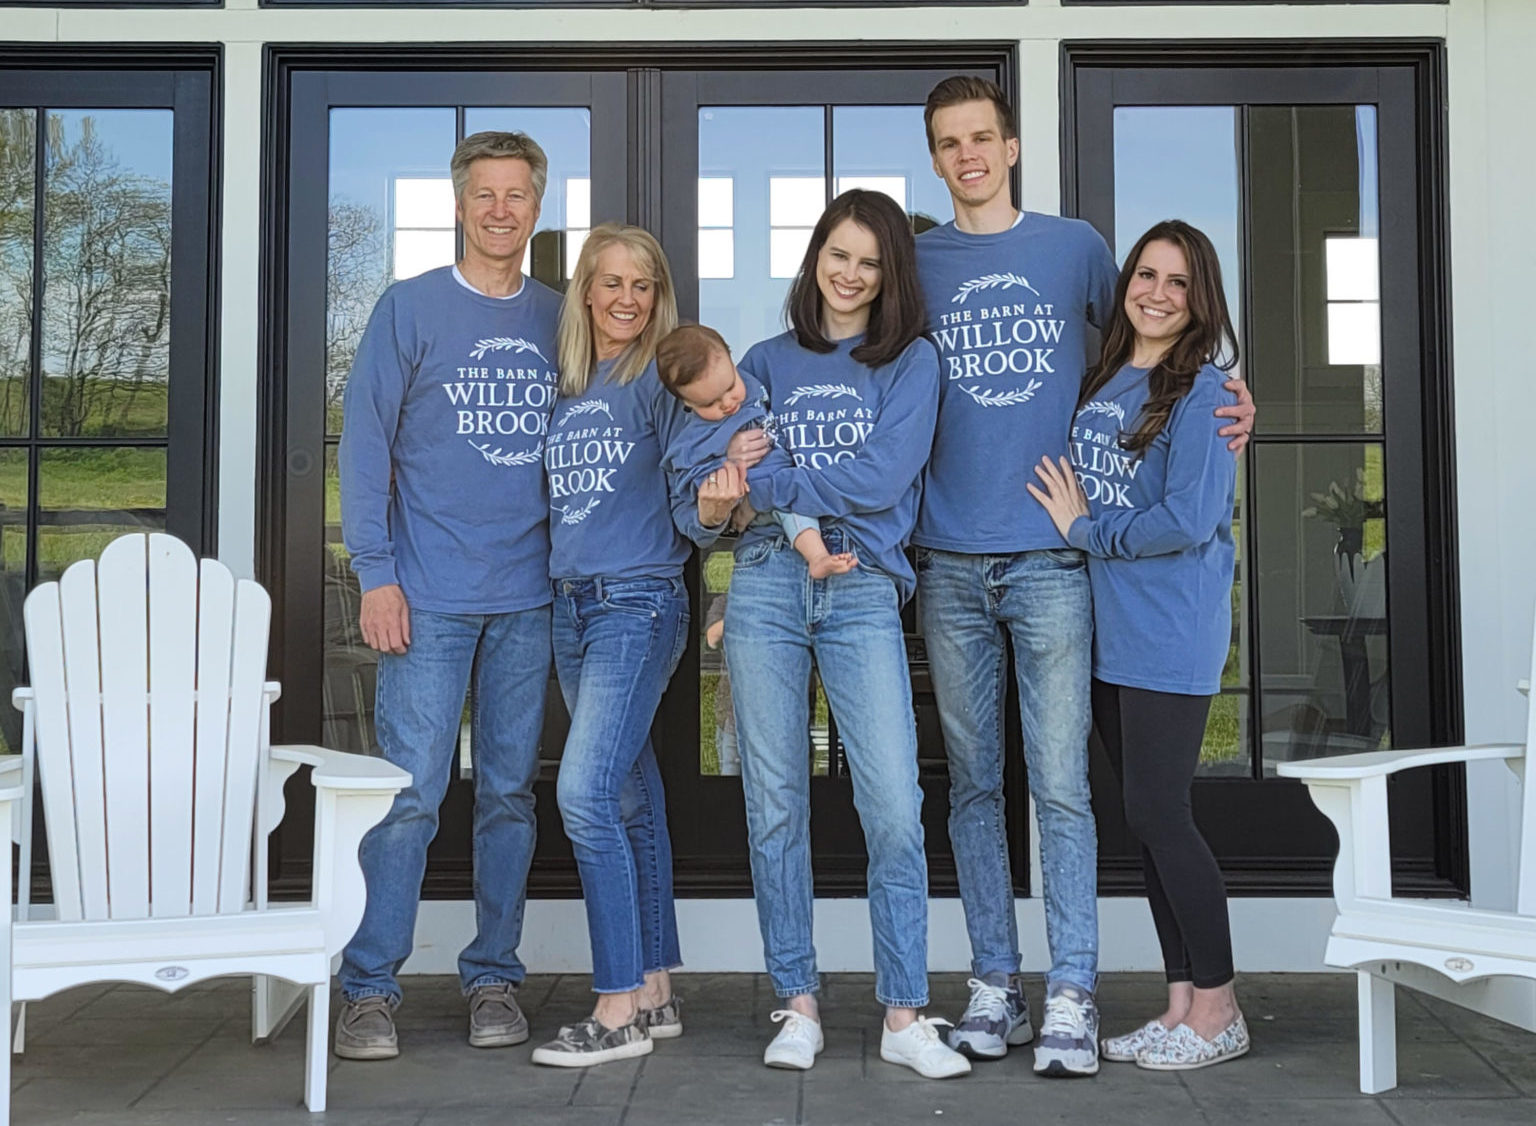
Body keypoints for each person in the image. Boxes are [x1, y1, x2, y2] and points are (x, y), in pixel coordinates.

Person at [910, 75, 1255, 1075]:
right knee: (977, 786)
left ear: (1011, 146)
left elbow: (1176, 363)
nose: (969, 155)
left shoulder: (1077, 250)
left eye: (983, 137)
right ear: (935, 158)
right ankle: (999, 984)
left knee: (1072, 790)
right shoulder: (916, 261)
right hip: (954, 558)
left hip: (1062, 564)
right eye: (949, 142)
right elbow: (1128, 370)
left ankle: (1076, 992)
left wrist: (1236, 402)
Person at [720, 189, 970, 1080]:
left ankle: (904, 1012)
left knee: (894, 804)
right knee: (776, 804)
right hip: (766, 584)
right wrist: (753, 489)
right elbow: (723, 474)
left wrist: (772, 485)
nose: (851, 275)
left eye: (870, 261)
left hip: (862, 587)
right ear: (815, 257)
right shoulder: (762, 360)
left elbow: (881, 478)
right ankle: (797, 1003)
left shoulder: (911, 363)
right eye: (838, 255)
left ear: (891, 273)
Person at [335, 131, 560, 1060]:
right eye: (485, 195)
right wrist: (375, 572)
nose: (501, 211)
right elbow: (364, 445)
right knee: (410, 797)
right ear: (460, 205)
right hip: (424, 595)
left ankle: (494, 977)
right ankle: (369, 986)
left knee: (509, 795)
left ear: (536, 207)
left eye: (517, 195)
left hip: (531, 596)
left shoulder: (561, 317)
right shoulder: (410, 308)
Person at [1028, 219, 1248, 1071]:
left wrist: (1087, 531)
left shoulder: (1207, 391)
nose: (1157, 294)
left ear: (1201, 299)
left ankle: (1221, 1008)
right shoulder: (1106, 376)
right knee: (1146, 821)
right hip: (1109, 632)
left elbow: (1190, 518)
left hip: (1169, 627)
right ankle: (1181, 1003)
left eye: (1178, 282)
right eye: (1146, 276)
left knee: (1161, 813)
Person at [529, 223, 735, 1068]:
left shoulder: (660, 379)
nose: (626, 298)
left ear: (658, 297)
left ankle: (614, 1009)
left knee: (583, 794)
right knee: (628, 797)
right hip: (571, 607)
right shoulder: (569, 384)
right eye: (611, 282)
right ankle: (653, 988)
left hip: (638, 604)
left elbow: (693, 499)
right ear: (586, 291)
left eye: (642, 285)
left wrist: (715, 509)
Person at [656, 322, 857, 579]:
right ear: (687, 403)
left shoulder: (753, 381)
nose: (728, 403)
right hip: (756, 495)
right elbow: (689, 480)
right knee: (794, 509)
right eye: (710, 403)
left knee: (793, 499)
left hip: (781, 483)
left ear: (732, 361)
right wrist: (723, 464)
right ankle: (817, 558)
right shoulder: (693, 439)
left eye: (730, 387)